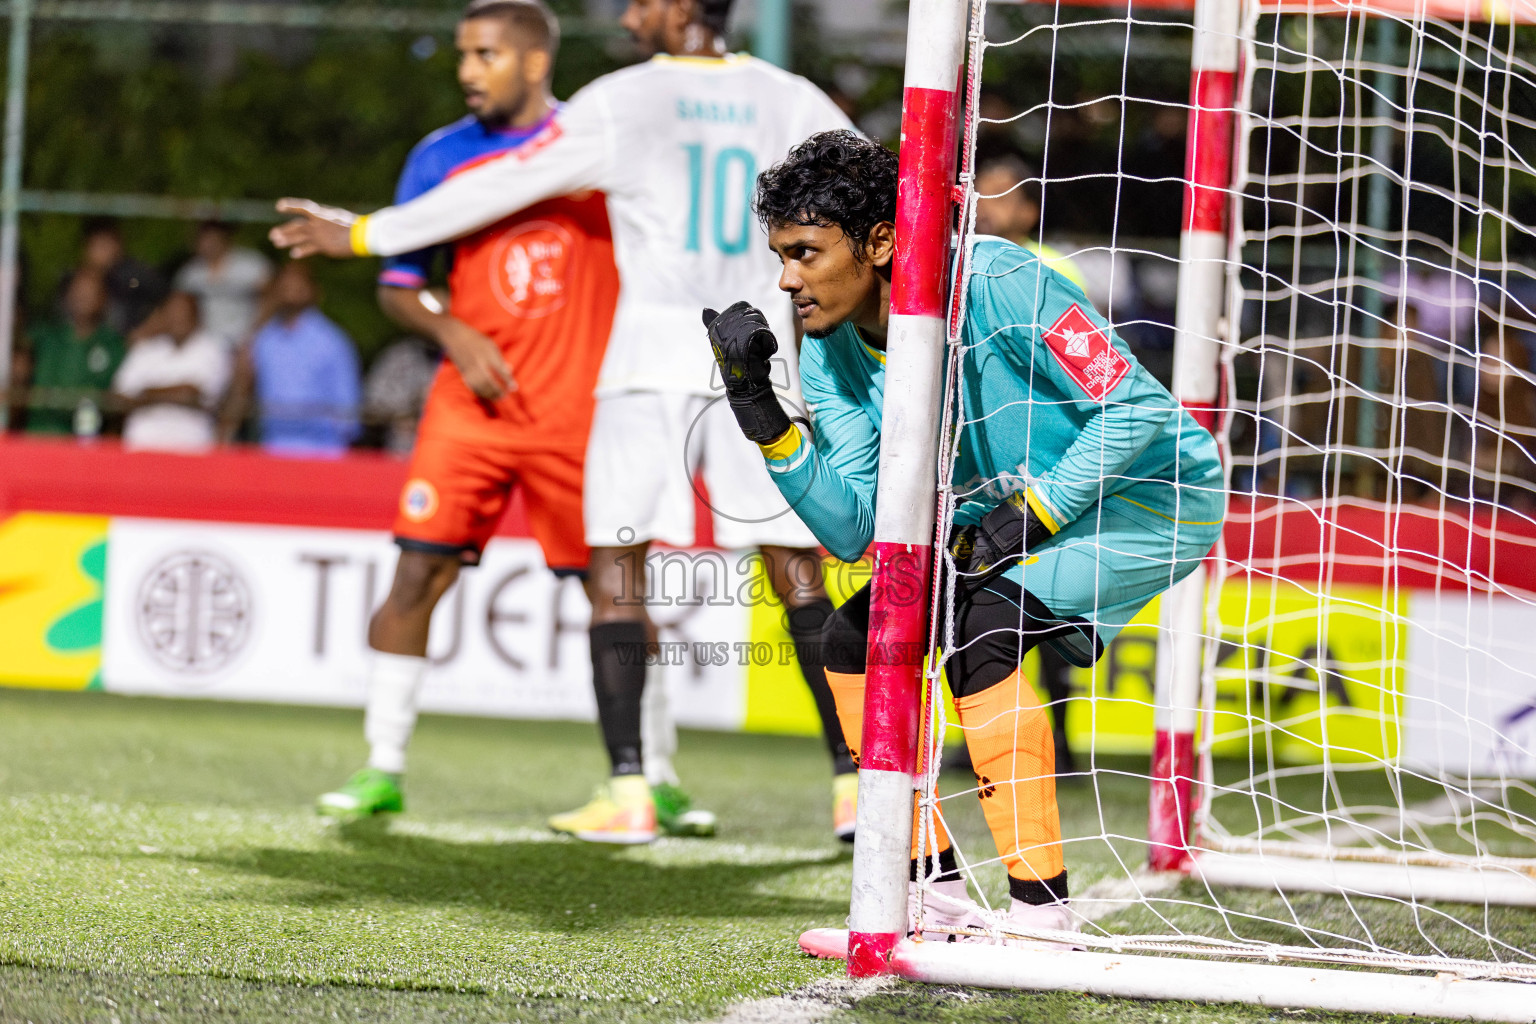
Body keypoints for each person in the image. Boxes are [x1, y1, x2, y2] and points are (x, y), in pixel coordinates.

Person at [271, 0, 860, 844]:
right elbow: (875, 184)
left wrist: (367, 233)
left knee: (615, 570)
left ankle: (629, 792)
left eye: (643, 2)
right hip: (756, 359)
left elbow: (502, 180)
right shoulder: (794, 98)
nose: (628, 15)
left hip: (648, 361)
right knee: (797, 570)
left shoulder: (623, 99)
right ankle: (853, 789)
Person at [704, 130, 1224, 936]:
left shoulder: (1004, 276)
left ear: (879, 242)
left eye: (805, 253)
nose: (787, 279)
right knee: (857, 636)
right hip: (1016, 516)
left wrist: (1038, 511)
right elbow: (855, 531)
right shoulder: (825, 348)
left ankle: (1042, 914)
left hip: (1152, 495)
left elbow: (1139, 409)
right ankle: (929, 891)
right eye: (781, 255)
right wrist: (764, 418)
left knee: (986, 628)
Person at [313, 0, 663, 835]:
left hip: (582, 410)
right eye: (464, 54)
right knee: (414, 577)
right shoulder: (440, 156)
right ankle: (381, 767)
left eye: (486, 55)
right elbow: (399, 285)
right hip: (469, 414)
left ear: (535, 61)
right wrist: (451, 328)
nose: (468, 70)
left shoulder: (596, 143)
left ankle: (654, 777)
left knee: (613, 594)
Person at [224, 261, 360, 457]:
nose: (290, 290)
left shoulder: (332, 341)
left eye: (298, 284)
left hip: (323, 453)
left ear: (314, 291)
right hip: (272, 451)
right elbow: (241, 386)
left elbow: (348, 409)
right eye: (284, 284)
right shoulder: (264, 339)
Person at [110, 291, 232, 452]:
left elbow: (190, 395)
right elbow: (118, 398)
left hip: (191, 450)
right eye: (172, 311)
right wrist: (173, 393)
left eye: (182, 311)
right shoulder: (145, 349)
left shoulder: (213, 349)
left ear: (196, 315)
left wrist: (145, 393)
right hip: (141, 447)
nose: (177, 317)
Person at [25, 271, 125, 438]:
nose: (82, 297)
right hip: (40, 434)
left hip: (86, 442)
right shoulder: (44, 337)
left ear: (103, 299)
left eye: (89, 292)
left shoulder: (113, 345)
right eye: (78, 291)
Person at [173, 221, 273, 349]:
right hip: (205, 342)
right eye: (204, 238)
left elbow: (272, 296)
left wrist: (256, 331)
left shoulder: (250, 265)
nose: (208, 243)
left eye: (213, 237)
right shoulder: (190, 273)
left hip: (245, 340)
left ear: (224, 238)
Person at [58, 218, 166, 335]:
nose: (105, 251)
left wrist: (148, 328)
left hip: (131, 344)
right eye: (100, 245)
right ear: (86, 247)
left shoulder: (134, 276)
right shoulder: (71, 281)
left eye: (109, 244)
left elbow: (166, 300)